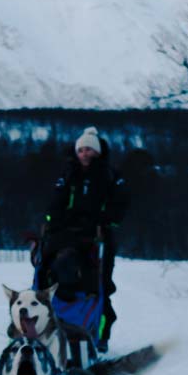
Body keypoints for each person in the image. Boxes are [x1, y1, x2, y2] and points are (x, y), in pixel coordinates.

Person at [38, 126, 129, 351]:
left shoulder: (110, 175)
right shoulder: (68, 173)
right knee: (54, 268)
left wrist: (105, 222)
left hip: (98, 237)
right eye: (81, 150)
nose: (85, 154)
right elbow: (55, 201)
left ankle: (100, 335)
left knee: (101, 287)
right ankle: (53, 326)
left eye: (89, 150)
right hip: (67, 233)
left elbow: (120, 205)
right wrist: (51, 220)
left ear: (97, 152)